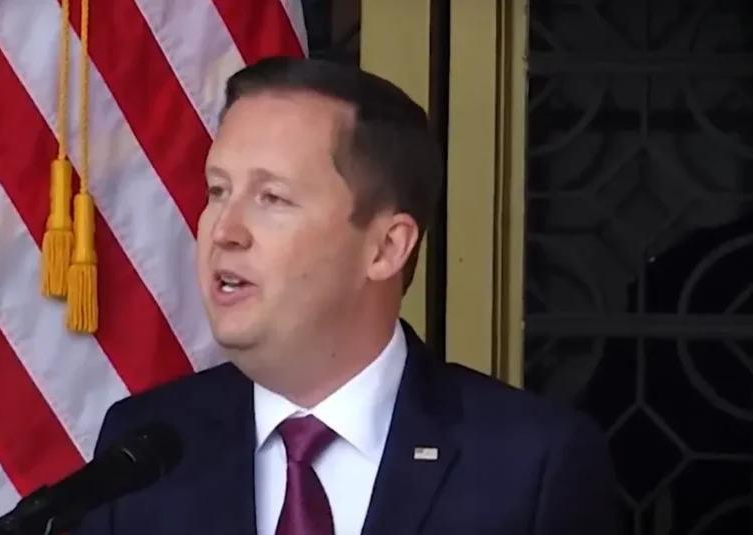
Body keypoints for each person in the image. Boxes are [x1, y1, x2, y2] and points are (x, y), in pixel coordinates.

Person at [76, 56, 620, 535]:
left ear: (385, 248)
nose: (224, 229)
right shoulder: (144, 449)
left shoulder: (531, 463)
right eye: (218, 190)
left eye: (272, 197)